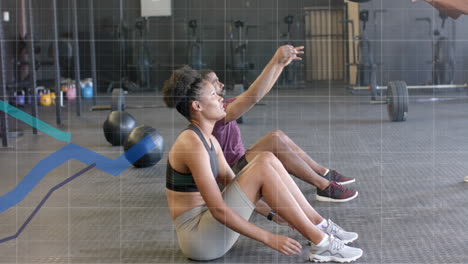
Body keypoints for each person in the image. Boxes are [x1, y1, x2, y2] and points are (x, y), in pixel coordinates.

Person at [163, 65, 363, 262]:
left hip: (211, 229)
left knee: (266, 159)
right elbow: (218, 209)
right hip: (200, 240)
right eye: (213, 94)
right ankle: (322, 244)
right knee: (262, 164)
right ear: (197, 106)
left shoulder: (209, 140)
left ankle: (318, 225)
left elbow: (231, 182)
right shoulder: (191, 144)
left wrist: (272, 214)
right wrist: (270, 238)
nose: (220, 98)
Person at [200, 45, 358, 202]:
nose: (221, 85)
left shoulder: (221, 106)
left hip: (238, 164)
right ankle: (324, 186)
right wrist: (275, 60)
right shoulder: (214, 114)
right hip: (230, 178)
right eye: (215, 83)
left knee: (277, 135)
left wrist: (280, 65)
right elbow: (253, 96)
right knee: (274, 141)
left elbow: (261, 92)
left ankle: (323, 172)